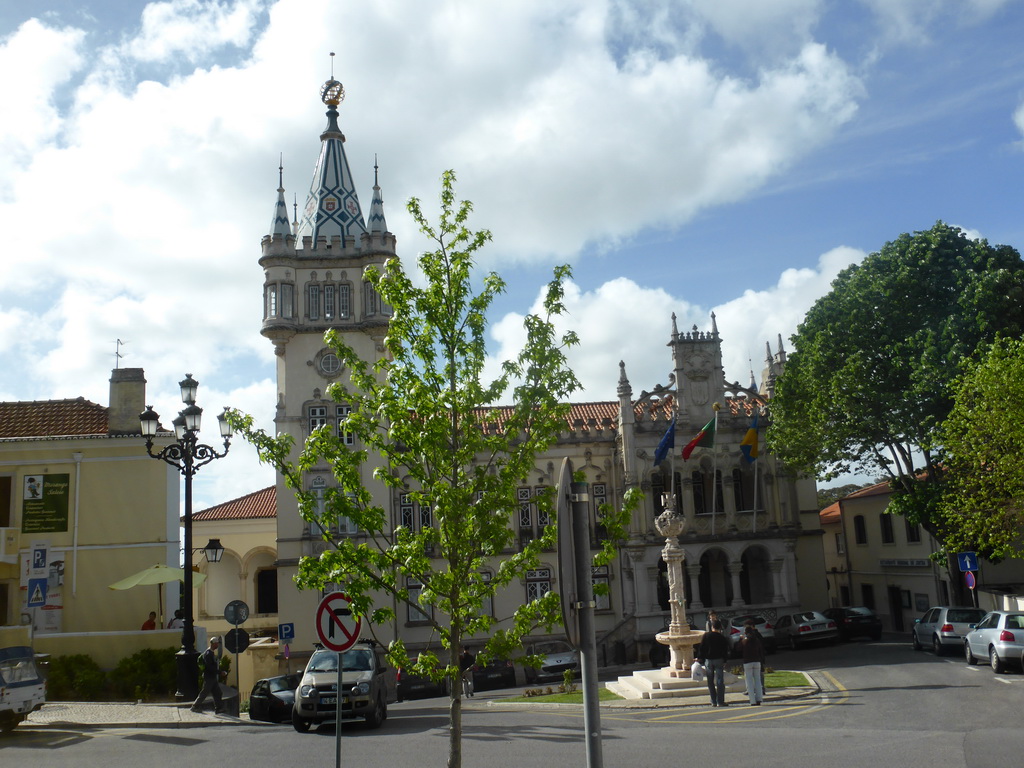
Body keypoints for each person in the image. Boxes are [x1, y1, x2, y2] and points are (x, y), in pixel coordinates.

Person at [695, 619, 729, 707]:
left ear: (712, 627)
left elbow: (702, 648)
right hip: (719, 659)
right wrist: (725, 660)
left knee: (710, 681)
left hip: (708, 660)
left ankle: (713, 700)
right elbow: (725, 650)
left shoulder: (706, 636)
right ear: (719, 627)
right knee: (720, 681)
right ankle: (720, 701)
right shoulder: (721, 637)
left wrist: (699, 658)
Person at [191, 636, 224, 714]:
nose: (217, 645)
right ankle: (195, 706)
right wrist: (220, 672)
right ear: (213, 644)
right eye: (216, 643)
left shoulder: (211, 653)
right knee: (204, 692)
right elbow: (209, 667)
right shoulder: (208, 654)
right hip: (209, 677)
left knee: (218, 693)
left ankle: (218, 708)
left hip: (212, 677)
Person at [740, 620, 766, 706]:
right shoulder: (756, 640)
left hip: (747, 661)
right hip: (757, 661)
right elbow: (760, 650)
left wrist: (740, 639)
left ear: (745, 633)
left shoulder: (744, 641)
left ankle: (752, 700)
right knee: (758, 680)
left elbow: (738, 649)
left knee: (749, 681)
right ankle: (759, 698)